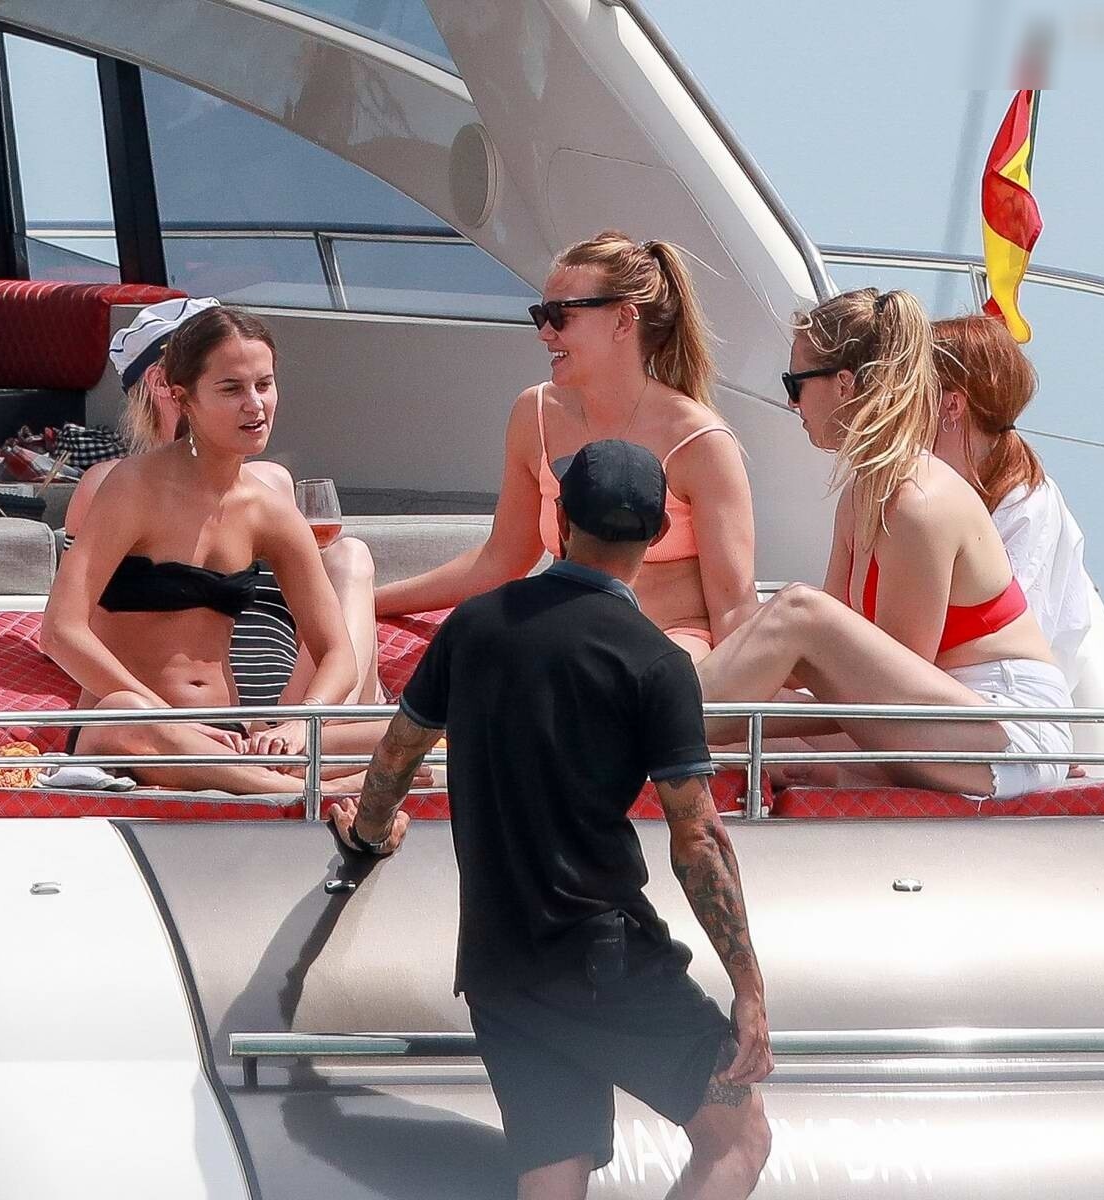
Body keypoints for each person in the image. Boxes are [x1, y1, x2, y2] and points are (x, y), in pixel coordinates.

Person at [332, 440, 773, 1200]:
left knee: (554, 1170)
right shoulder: (656, 663)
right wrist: (749, 986)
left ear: (562, 521)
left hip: (497, 966)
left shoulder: (473, 626)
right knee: (739, 1134)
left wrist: (370, 835)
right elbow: (698, 839)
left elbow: (397, 754)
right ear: (657, 535)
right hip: (601, 960)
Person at [696, 289, 1072, 799]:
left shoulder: (919, 503)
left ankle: (661, 721)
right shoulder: (861, 495)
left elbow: (881, 699)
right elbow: (828, 674)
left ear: (844, 384)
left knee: (800, 610)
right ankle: (668, 719)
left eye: (795, 384)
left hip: (1008, 732)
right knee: (766, 688)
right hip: (946, 724)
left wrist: (732, 716)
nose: (790, 402)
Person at [374, 231, 756, 661]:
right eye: (541, 314)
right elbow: (500, 560)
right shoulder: (534, 413)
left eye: (561, 315)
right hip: (561, 638)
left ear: (623, 321)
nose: (544, 333)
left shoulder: (701, 442)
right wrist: (373, 604)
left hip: (668, 645)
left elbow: (733, 611)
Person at [43, 305, 373, 795]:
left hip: (227, 732)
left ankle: (274, 776)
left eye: (264, 385)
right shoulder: (133, 487)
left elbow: (337, 651)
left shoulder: (268, 509)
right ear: (183, 398)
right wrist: (163, 714)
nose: (255, 405)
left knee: (415, 730)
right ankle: (312, 791)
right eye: (231, 389)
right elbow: (60, 631)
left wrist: (302, 722)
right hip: (134, 724)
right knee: (126, 713)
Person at [931, 315, 1104, 756]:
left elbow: (1014, 639)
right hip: (950, 699)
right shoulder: (942, 491)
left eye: (912, 391)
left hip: (1001, 714)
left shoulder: (1028, 505)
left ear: (951, 405)